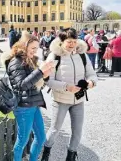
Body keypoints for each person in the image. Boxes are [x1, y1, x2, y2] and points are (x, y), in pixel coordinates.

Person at [41, 28, 98, 161]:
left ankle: (71, 156)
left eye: (74, 41)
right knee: (55, 130)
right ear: (62, 42)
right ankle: (46, 153)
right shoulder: (54, 56)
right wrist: (66, 87)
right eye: (69, 42)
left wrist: (91, 82)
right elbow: (48, 80)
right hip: (61, 100)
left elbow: (91, 73)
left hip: (78, 100)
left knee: (77, 132)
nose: (72, 44)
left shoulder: (82, 55)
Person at [5, 36, 54, 161]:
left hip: (33, 103)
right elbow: (22, 85)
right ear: (24, 45)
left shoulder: (29, 60)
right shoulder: (15, 62)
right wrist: (40, 72)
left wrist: (46, 76)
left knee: (41, 137)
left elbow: (34, 83)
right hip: (23, 107)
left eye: (37, 48)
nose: (35, 51)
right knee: (22, 140)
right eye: (32, 48)